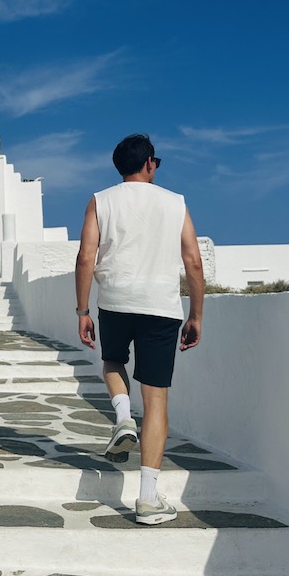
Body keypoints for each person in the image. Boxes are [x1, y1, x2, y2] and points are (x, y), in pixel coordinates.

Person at [74, 133, 204, 525]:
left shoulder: (101, 200)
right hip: (161, 308)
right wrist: (196, 314)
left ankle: (122, 417)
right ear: (149, 163)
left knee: (113, 361)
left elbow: (85, 257)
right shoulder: (175, 202)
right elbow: (193, 262)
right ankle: (147, 499)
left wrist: (83, 310)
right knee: (157, 399)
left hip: (115, 301)